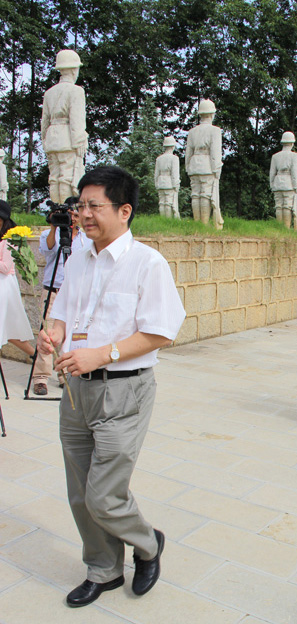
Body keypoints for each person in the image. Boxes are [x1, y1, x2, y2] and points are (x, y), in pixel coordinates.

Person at [37, 166, 185, 608]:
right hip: (77, 389)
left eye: (93, 206)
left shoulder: (147, 263)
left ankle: (149, 544)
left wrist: (101, 354)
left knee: (104, 494)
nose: (83, 214)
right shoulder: (79, 257)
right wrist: (54, 333)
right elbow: (63, 312)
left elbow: (161, 331)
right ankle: (102, 569)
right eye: (79, 205)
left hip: (123, 391)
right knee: (81, 492)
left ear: (124, 211)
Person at [32, 206, 90, 395]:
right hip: (53, 289)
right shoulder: (51, 234)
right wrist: (54, 227)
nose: (72, 219)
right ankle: (40, 377)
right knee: (47, 334)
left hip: (75, 291)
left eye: (75, 215)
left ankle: (64, 373)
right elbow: (47, 250)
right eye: (68, 215)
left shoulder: (85, 238)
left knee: (70, 333)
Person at [41, 50, 87, 204]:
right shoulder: (76, 91)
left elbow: (44, 121)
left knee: (54, 178)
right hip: (68, 140)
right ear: (74, 69)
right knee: (67, 178)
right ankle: (67, 213)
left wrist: (45, 141)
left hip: (52, 140)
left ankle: (56, 210)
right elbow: (76, 120)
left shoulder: (49, 93)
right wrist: (79, 141)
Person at [0, 201, 35, 359]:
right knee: (7, 328)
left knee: (8, 327)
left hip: (4, 285)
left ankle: (37, 357)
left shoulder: (10, 239)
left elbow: (6, 267)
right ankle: (36, 356)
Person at [185, 99, 223, 228]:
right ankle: (204, 225)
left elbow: (188, 153)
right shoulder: (215, 131)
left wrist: (188, 167)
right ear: (212, 114)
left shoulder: (192, 132)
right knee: (205, 195)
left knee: (195, 195)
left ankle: (197, 224)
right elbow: (215, 153)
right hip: (207, 167)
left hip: (194, 166)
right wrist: (216, 169)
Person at [269, 131, 297, 230]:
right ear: (292, 143)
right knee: (287, 206)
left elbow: (272, 173)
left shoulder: (275, 156)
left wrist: (272, 184)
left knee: (278, 206)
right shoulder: (294, 156)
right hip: (289, 183)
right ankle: (286, 228)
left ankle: (280, 228)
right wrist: (296, 186)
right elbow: (295, 173)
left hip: (277, 183)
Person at [154, 136, 180, 218]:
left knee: (162, 203)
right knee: (168, 203)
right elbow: (174, 174)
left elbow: (156, 174)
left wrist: (157, 184)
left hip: (161, 183)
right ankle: (168, 221)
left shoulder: (159, 159)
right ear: (173, 146)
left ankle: (163, 220)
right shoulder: (174, 158)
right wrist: (176, 185)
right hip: (169, 183)